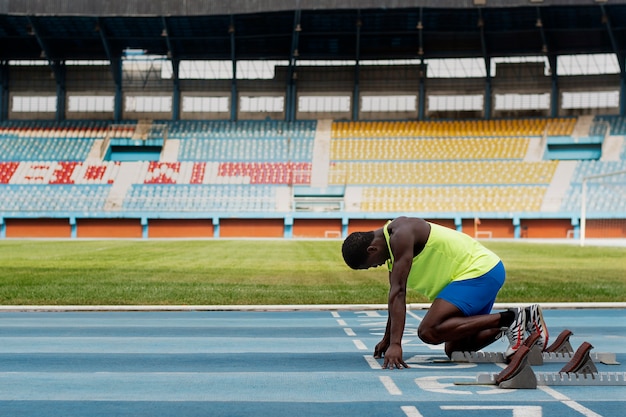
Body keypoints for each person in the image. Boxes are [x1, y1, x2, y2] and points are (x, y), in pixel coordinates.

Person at [341, 216, 549, 369]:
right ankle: (517, 323)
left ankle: (512, 318)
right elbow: (394, 297)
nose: (375, 267)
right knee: (455, 349)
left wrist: (396, 344)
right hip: (475, 276)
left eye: (370, 266)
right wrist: (388, 339)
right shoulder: (390, 247)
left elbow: (399, 292)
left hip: (479, 271)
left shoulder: (401, 234)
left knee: (428, 331)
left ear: (372, 250)